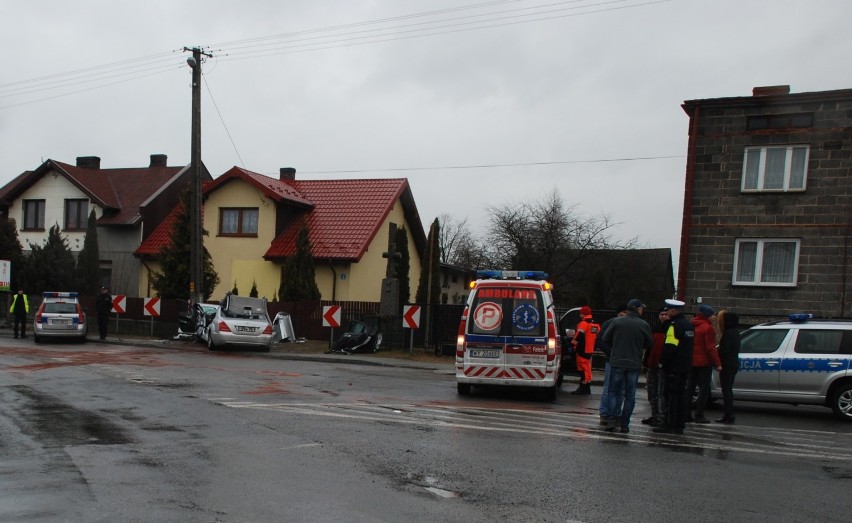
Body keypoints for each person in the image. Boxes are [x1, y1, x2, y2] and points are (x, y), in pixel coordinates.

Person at [602, 298, 653, 433]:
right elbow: (649, 344)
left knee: (613, 391)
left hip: (617, 361)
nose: (642, 310)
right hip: (634, 363)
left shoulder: (617, 322)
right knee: (630, 394)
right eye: (641, 308)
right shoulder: (644, 325)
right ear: (637, 309)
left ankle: (611, 419)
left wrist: (616, 347)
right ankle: (625, 424)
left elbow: (605, 338)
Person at [653, 299, 695, 435]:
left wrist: (662, 362)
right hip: (685, 366)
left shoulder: (674, 326)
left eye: (668, 310)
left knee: (671, 396)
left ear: (672, 310)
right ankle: (679, 424)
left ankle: (670, 424)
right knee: (681, 396)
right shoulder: (688, 325)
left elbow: (670, 347)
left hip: (673, 367)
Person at [686, 304, 721, 423]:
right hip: (704, 362)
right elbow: (711, 347)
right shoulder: (708, 328)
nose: (714, 317)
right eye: (712, 315)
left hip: (691, 361)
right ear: (707, 316)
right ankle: (699, 414)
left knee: (690, 387)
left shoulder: (692, 325)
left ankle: (686, 413)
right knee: (703, 388)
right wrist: (718, 363)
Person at [597, 304, 628, 425]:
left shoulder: (622, 325)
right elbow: (600, 340)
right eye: (623, 312)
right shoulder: (610, 324)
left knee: (618, 390)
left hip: (618, 359)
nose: (625, 314)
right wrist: (612, 353)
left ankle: (614, 413)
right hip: (613, 360)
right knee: (610, 388)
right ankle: (606, 413)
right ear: (619, 313)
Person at [641, 307, 668, 426]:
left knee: (660, 392)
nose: (663, 316)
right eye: (662, 314)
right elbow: (649, 347)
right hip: (652, 364)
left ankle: (661, 416)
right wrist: (645, 362)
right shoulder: (654, 329)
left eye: (666, 314)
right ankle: (655, 414)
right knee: (652, 392)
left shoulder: (671, 328)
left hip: (663, 366)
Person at [715, 310, 741, 423]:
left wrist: (717, 353)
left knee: (726, 391)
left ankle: (728, 415)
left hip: (726, 363)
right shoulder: (736, 332)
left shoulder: (727, 333)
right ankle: (729, 414)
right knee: (728, 390)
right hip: (734, 362)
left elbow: (724, 350)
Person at [570, 306, 600, 395]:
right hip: (589, 350)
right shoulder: (595, 324)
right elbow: (598, 336)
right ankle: (587, 388)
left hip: (581, 349)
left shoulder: (583, 323)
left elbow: (578, 335)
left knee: (582, 370)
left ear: (583, 314)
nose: (580, 315)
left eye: (580, 313)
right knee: (587, 369)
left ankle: (582, 388)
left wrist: (572, 344)